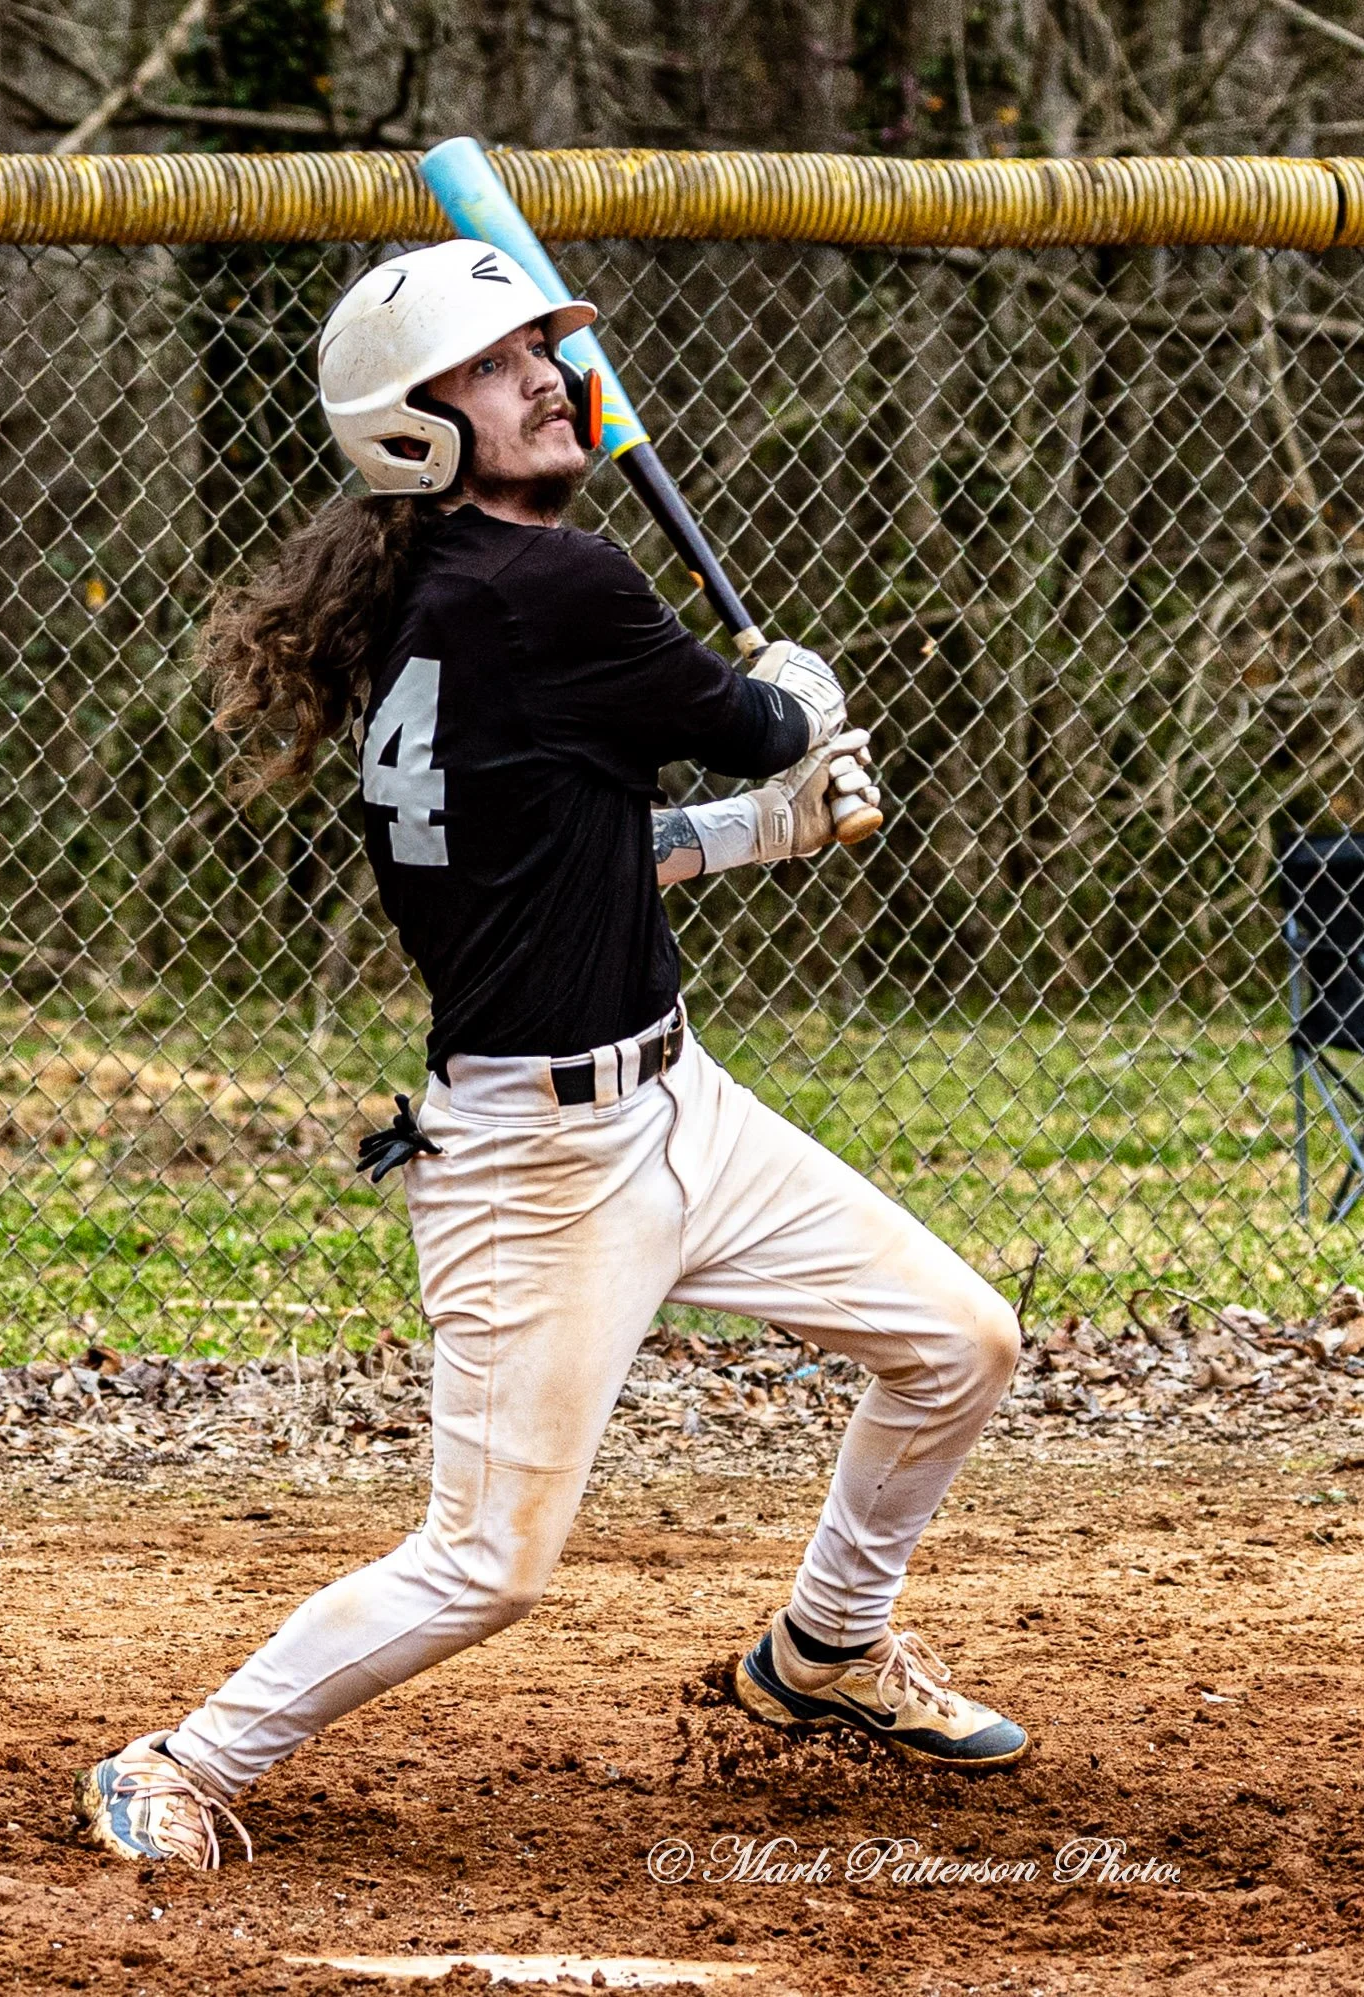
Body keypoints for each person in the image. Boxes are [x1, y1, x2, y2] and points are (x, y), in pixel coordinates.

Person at [73, 241, 1026, 1873]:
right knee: (484, 1566)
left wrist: (754, 833)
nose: (545, 377)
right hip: (540, 1166)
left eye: (543, 350)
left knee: (956, 1341)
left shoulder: (435, 600)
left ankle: (822, 1649)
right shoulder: (551, 588)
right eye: (497, 362)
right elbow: (761, 725)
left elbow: (562, 852)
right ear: (412, 425)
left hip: (677, 1104)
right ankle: (181, 1760)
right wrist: (796, 703)